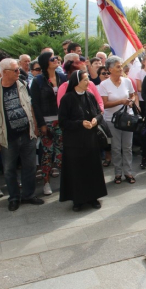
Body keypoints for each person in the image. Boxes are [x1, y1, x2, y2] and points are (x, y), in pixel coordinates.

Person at [58, 71, 107, 211]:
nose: (88, 82)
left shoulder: (90, 96)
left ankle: (93, 197)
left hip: (90, 140)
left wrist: (95, 120)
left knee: (92, 168)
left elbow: (99, 113)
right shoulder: (67, 99)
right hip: (74, 142)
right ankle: (77, 200)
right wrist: (80, 123)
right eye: (85, 80)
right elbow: (63, 122)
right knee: (77, 170)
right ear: (77, 82)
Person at [0, 58, 44, 211]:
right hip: (8, 138)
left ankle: (29, 195)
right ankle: (14, 198)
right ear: (5, 72)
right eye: (16, 70)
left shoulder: (23, 85)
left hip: (27, 134)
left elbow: (31, 106)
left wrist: (36, 126)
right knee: (9, 169)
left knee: (29, 166)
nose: (19, 72)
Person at [30, 52, 67, 196]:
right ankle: (46, 182)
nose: (56, 60)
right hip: (47, 122)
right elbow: (35, 104)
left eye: (57, 57)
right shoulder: (38, 81)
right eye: (53, 58)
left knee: (62, 151)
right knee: (47, 153)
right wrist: (41, 124)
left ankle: (65, 182)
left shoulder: (62, 77)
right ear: (46, 62)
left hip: (62, 121)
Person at [99, 56, 136, 185]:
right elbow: (104, 104)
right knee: (115, 148)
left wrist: (131, 102)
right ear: (110, 69)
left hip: (127, 118)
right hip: (112, 120)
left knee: (127, 147)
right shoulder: (103, 85)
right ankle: (118, 173)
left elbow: (133, 95)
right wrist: (121, 101)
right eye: (118, 66)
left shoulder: (127, 81)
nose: (121, 69)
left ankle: (128, 172)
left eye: (121, 66)